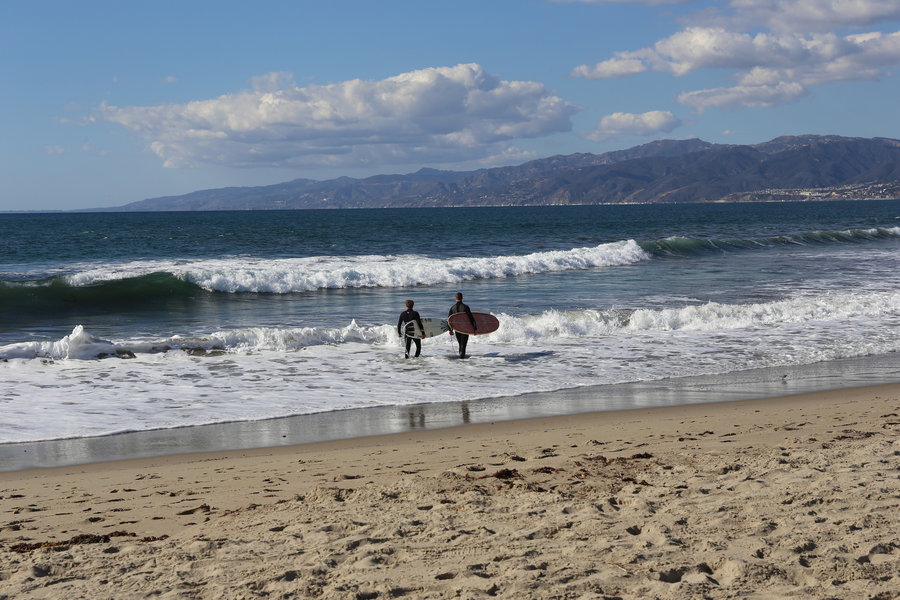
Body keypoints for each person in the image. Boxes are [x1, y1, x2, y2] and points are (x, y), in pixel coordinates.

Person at [448, 292, 477, 359]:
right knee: (463, 345)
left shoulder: (452, 308)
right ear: (462, 298)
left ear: (455, 298)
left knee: (460, 344)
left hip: (457, 329)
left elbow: (449, 320)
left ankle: (461, 360)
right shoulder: (466, 307)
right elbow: (471, 318)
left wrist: (450, 330)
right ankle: (462, 360)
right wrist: (474, 328)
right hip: (465, 328)